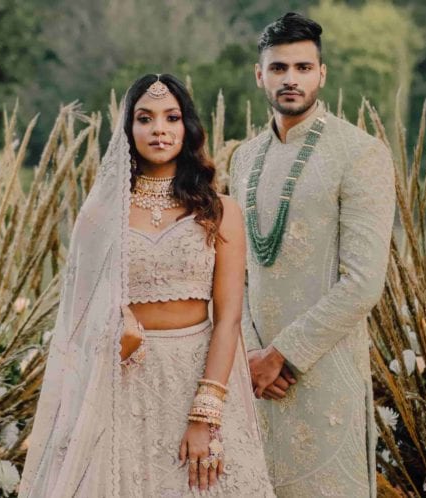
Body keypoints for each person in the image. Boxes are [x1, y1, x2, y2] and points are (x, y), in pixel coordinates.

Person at [19, 73, 274, 497]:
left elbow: (228, 320)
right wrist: (114, 330)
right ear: (128, 130)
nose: (159, 128)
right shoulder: (101, 216)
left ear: (187, 127)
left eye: (171, 117)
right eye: (145, 118)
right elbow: (76, 322)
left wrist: (205, 415)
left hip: (197, 375)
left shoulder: (221, 211)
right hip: (121, 382)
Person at [229, 12, 396, 498]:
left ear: (322, 74)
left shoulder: (360, 153)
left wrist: (282, 356)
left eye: (303, 68)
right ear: (260, 75)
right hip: (253, 375)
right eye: (278, 68)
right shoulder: (245, 158)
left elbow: (363, 282)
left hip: (323, 371)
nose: (290, 79)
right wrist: (248, 356)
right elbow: (235, 269)